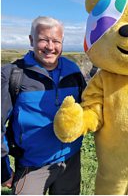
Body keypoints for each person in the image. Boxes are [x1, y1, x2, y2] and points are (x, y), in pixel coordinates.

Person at [1, 16, 86, 194]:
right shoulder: (13, 74)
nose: (50, 46)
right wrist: (3, 170)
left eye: (56, 41)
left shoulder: (73, 70)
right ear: (31, 40)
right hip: (31, 166)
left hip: (70, 160)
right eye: (43, 39)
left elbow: (88, 106)